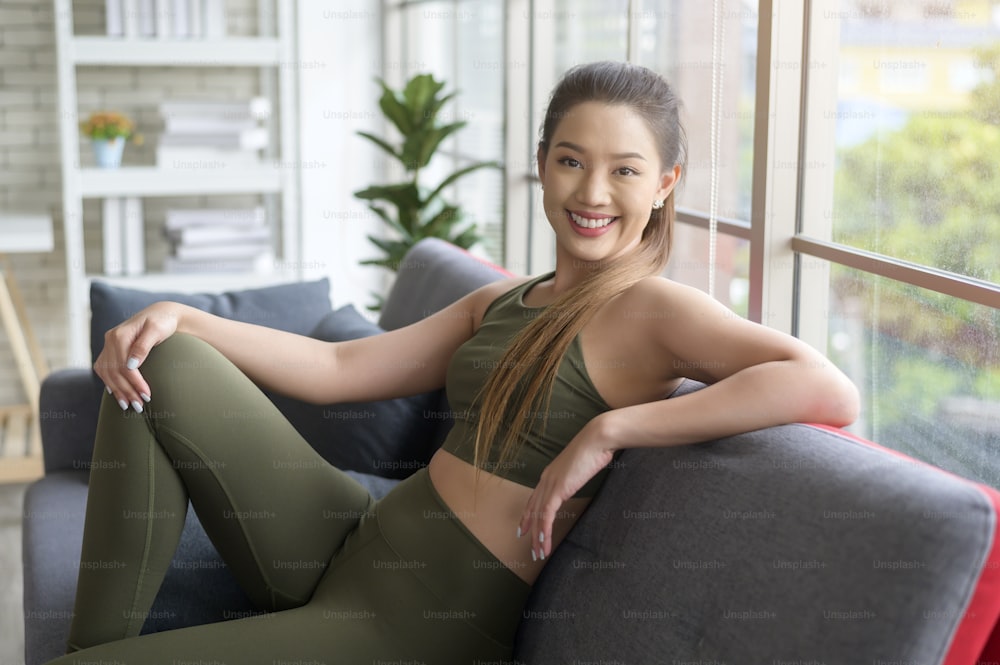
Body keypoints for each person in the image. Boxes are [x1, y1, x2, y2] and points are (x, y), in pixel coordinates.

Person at [49, 61, 859, 664]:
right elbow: (340, 370)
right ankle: (93, 635)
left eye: (626, 170)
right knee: (168, 354)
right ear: (542, 163)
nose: (594, 191)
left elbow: (825, 386)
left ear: (666, 183)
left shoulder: (656, 308)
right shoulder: (505, 299)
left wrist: (614, 426)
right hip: (354, 537)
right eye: (573, 159)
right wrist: (184, 314)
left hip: (419, 622)